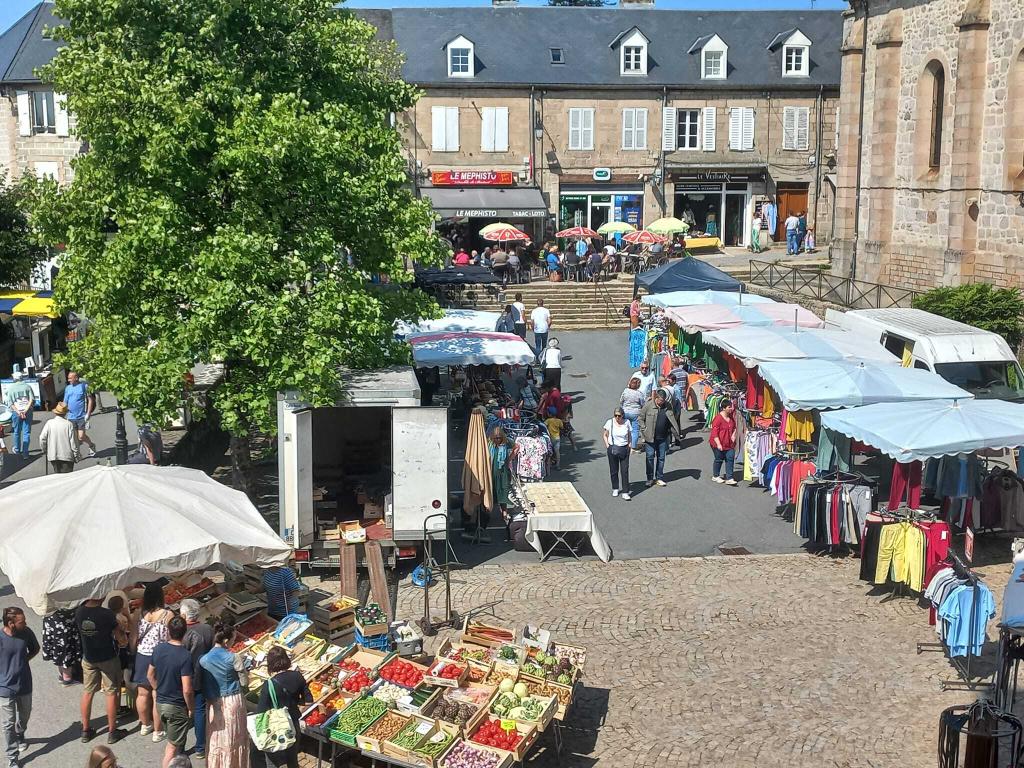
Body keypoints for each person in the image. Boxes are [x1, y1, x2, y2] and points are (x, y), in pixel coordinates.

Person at [76, 597, 127, 744]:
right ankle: (112, 731)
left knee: (88, 691)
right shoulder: (106, 614)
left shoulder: (79, 612)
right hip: (108, 657)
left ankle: (85, 730)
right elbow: (119, 637)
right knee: (111, 692)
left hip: (89, 657)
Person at [199, 621, 249, 768]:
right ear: (226, 641)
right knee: (234, 737)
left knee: (216, 737)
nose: (234, 642)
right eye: (233, 639)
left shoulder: (203, 659)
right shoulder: (234, 658)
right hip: (232, 700)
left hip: (214, 702)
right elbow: (245, 682)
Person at [148, 618, 194, 768]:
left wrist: (157, 689)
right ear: (185, 632)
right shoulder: (185, 656)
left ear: (168, 631)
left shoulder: (158, 649)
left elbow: (150, 675)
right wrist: (191, 708)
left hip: (161, 703)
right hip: (176, 706)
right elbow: (187, 689)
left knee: (173, 741)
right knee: (172, 747)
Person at [255, 647, 309, 768]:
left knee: (273, 761)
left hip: (276, 727)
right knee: (292, 759)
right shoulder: (297, 676)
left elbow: (261, 711)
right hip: (293, 724)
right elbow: (309, 700)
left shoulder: (269, 684)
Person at [133, 583, 174, 742]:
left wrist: (132, 651)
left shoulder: (139, 613)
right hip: (159, 656)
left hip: (142, 655)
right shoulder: (167, 614)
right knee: (158, 694)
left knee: (142, 693)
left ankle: (145, 725)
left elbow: (133, 637)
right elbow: (170, 637)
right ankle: (158, 731)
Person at [0, 607, 38, 764]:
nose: (25, 623)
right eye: (22, 621)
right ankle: (12, 758)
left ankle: (20, 732)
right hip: (5, 687)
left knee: (25, 715)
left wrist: (23, 661)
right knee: (8, 724)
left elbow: (35, 649)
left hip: (24, 684)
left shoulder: (26, 633)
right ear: (11, 623)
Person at [181, 600, 213, 759]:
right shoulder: (207, 629)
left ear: (183, 615)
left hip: (184, 675)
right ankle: (201, 747)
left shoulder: (181, 631)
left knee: (182, 709)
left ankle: (179, 747)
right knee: (200, 710)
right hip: (202, 675)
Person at [639, 388, 680, 487]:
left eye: (664, 400)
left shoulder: (668, 406)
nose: (662, 402)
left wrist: (675, 431)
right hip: (650, 438)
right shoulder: (648, 405)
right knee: (650, 457)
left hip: (663, 437)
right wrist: (644, 430)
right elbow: (640, 418)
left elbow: (673, 418)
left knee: (661, 458)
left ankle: (659, 478)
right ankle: (649, 479)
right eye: (661, 400)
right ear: (656, 398)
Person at [485, 427, 516, 544]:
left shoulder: (507, 442)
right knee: (491, 491)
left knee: (503, 491)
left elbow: (516, 446)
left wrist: (510, 459)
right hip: (492, 472)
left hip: (503, 472)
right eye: (496, 438)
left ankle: (504, 512)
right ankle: (489, 512)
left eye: (499, 438)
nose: (497, 440)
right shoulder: (490, 444)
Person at [42, 608, 81, 686]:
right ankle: (67, 678)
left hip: (52, 619)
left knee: (57, 648)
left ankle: (62, 674)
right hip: (64, 622)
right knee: (67, 649)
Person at [63, 371, 97, 458]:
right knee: (74, 438)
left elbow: (90, 400)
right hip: (71, 416)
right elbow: (65, 402)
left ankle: (91, 445)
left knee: (81, 437)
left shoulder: (83, 386)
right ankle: (77, 454)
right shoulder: (68, 388)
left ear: (76, 378)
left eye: (70, 378)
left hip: (81, 416)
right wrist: (62, 412)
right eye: (68, 378)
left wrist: (88, 413)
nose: (68, 380)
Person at [39, 402, 79, 473]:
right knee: (67, 479)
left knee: (57, 477)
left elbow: (42, 438)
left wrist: (44, 449)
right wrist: (76, 455)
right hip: (67, 456)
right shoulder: (69, 424)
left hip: (53, 455)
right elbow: (73, 442)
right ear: (65, 413)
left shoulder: (49, 423)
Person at [603, 408, 633, 500]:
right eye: (615, 415)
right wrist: (608, 445)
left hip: (624, 448)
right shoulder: (610, 422)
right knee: (614, 470)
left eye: (619, 416)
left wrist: (629, 445)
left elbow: (629, 435)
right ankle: (615, 488)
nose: (617, 417)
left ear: (622, 415)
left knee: (624, 471)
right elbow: (605, 434)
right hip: (613, 448)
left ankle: (625, 492)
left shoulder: (627, 422)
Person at [4, 373, 33, 458]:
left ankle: (17, 450)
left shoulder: (11, 388)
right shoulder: (27, 386)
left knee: (16, 431)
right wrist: (25, 411)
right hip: (27, 412)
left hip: (16, 412)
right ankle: (25, 453)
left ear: (14, 378)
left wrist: (18, 412)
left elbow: (10, 403)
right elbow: (31, 400)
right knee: (26, 432)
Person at [710, 400, 738, 485]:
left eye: (731, 407)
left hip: (729, 443)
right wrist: (718, 444)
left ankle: (729, 478)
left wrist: (734, 435)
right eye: (729, 407)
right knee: (719, 459)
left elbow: (734, 427)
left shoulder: (731, 417)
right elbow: (714, 432)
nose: (731, 409)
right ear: (724, 408)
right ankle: (716, 476)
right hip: (718, 443)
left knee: (730, 458)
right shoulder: (718, 418)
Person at [618, 377, 646, 452]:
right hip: (635, 413)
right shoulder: (639, 394)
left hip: (626, 412)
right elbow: (642, 403)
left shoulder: (625, 391)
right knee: (635, 430)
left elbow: (621, 401)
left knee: (625, 428)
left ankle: (623, 444)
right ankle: (632, 447)